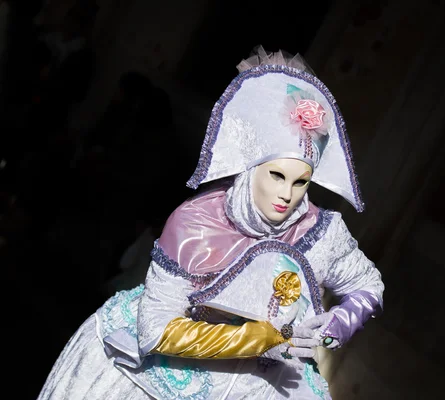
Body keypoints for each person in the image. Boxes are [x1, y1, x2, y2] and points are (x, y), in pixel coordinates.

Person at [37, 46, 385, 400]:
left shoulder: (321, 231)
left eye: (301, 183)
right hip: (173, 373)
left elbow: (367, 287)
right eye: (277, 175)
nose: (287, 194)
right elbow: (155, 330)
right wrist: (261, 339)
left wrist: (336, 326)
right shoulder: (199, 221)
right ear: (251, 168)